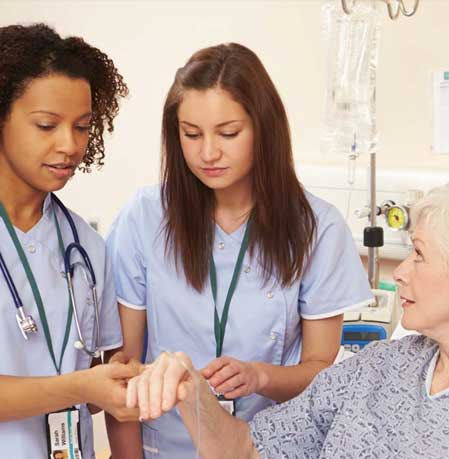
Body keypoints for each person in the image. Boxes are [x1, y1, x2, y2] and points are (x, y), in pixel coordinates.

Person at [106, 42, 372, 458]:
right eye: (191, 134)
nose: (208, 152)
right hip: (166, 449)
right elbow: (121, 368)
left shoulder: (318, 228)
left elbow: (321, 373)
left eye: (228, 133)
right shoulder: (144, 217)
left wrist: (260, 377)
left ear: (264, 128)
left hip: (268, 448)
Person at [127, 170, 449, 459]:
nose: (400, 272)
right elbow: (245, 449)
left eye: (419, 254)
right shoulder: (378, 366)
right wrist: (191, 393)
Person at [0, 23, 139, 459]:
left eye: (82, 127)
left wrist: (116, 380)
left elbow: (92, 386)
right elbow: (79, 385)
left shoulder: (88, 247)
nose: (70, 145)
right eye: (47, 125)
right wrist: (80, 386)